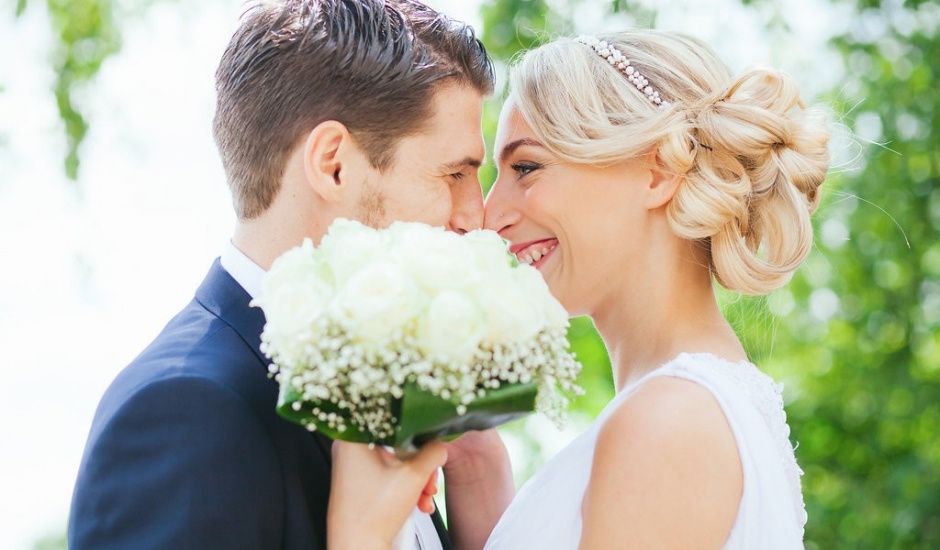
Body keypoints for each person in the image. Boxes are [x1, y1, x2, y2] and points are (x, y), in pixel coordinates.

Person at [330, 29, 830, 549]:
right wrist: (475, 459)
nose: (489, 216)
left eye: (526, 168)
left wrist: (359, 534)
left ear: (657, 170)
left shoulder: (669, 425)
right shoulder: (689, 408)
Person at [67, 1, 514, 549]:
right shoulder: (183, 413)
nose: (478, 217)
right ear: (333, 164)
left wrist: (474, 467)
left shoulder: (392, 389)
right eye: (454, 173)